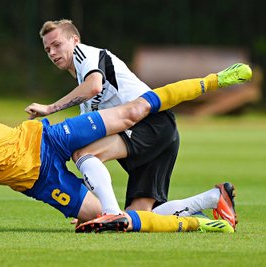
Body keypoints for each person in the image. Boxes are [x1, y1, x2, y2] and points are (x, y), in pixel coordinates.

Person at [0, 66, 251, 234]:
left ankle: (216, 80)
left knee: (133, 111)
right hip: (38, 181)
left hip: (48, 139)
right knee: (120, 221)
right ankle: (204, 211)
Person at [25, 19, 248, 230]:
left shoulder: (86, 55)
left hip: (150, 123)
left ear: (75, 40)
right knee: (137, 215)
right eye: (47, 50)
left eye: (57, 44)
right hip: (161, 129)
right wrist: (85, 206)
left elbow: (94, 86)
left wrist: (50, 107)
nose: (53, 53)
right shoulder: (82, 83)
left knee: (84, 154)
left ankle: (110, 213)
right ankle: (213, 199)